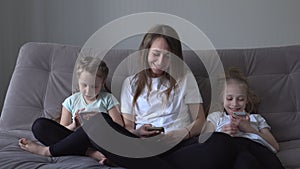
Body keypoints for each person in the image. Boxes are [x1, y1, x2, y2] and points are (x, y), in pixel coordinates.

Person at [19, 24, 245, 169]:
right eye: (155, 55)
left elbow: (200, 121)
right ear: (146, 52)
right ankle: (90, 153)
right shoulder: (131, 83)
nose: (160, 62)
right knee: (60, 124)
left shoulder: (185, 78)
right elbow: (125, 126)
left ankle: (129, 162)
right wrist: (137, 132)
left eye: (168, 57)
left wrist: (181, 134)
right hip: (139, 145)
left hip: (180, 145)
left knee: (221, 143)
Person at [19, 56, 124, 165]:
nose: (88, 91)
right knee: (39, 125)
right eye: (84, 85)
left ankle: (91, 151)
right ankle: (90, 153)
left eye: (94, 87)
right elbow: (62, 129)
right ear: (78, 81)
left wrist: (100, 120)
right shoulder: (71, 101)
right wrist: (74, 125)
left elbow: (119, 126)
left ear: (102, 84)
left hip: (99, 141)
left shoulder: (108, 99)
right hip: (73, 141)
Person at [206, 67, 284, 169]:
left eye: (241, 99)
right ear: (222, 99)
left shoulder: (256, 118)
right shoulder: (217, 117)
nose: (235, 104)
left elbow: (275, 146)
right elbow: (203, 142)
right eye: (229, 98)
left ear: (247, 100)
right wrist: (221, 135)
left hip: (256, 150)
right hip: (230, 150)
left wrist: (249, 129)